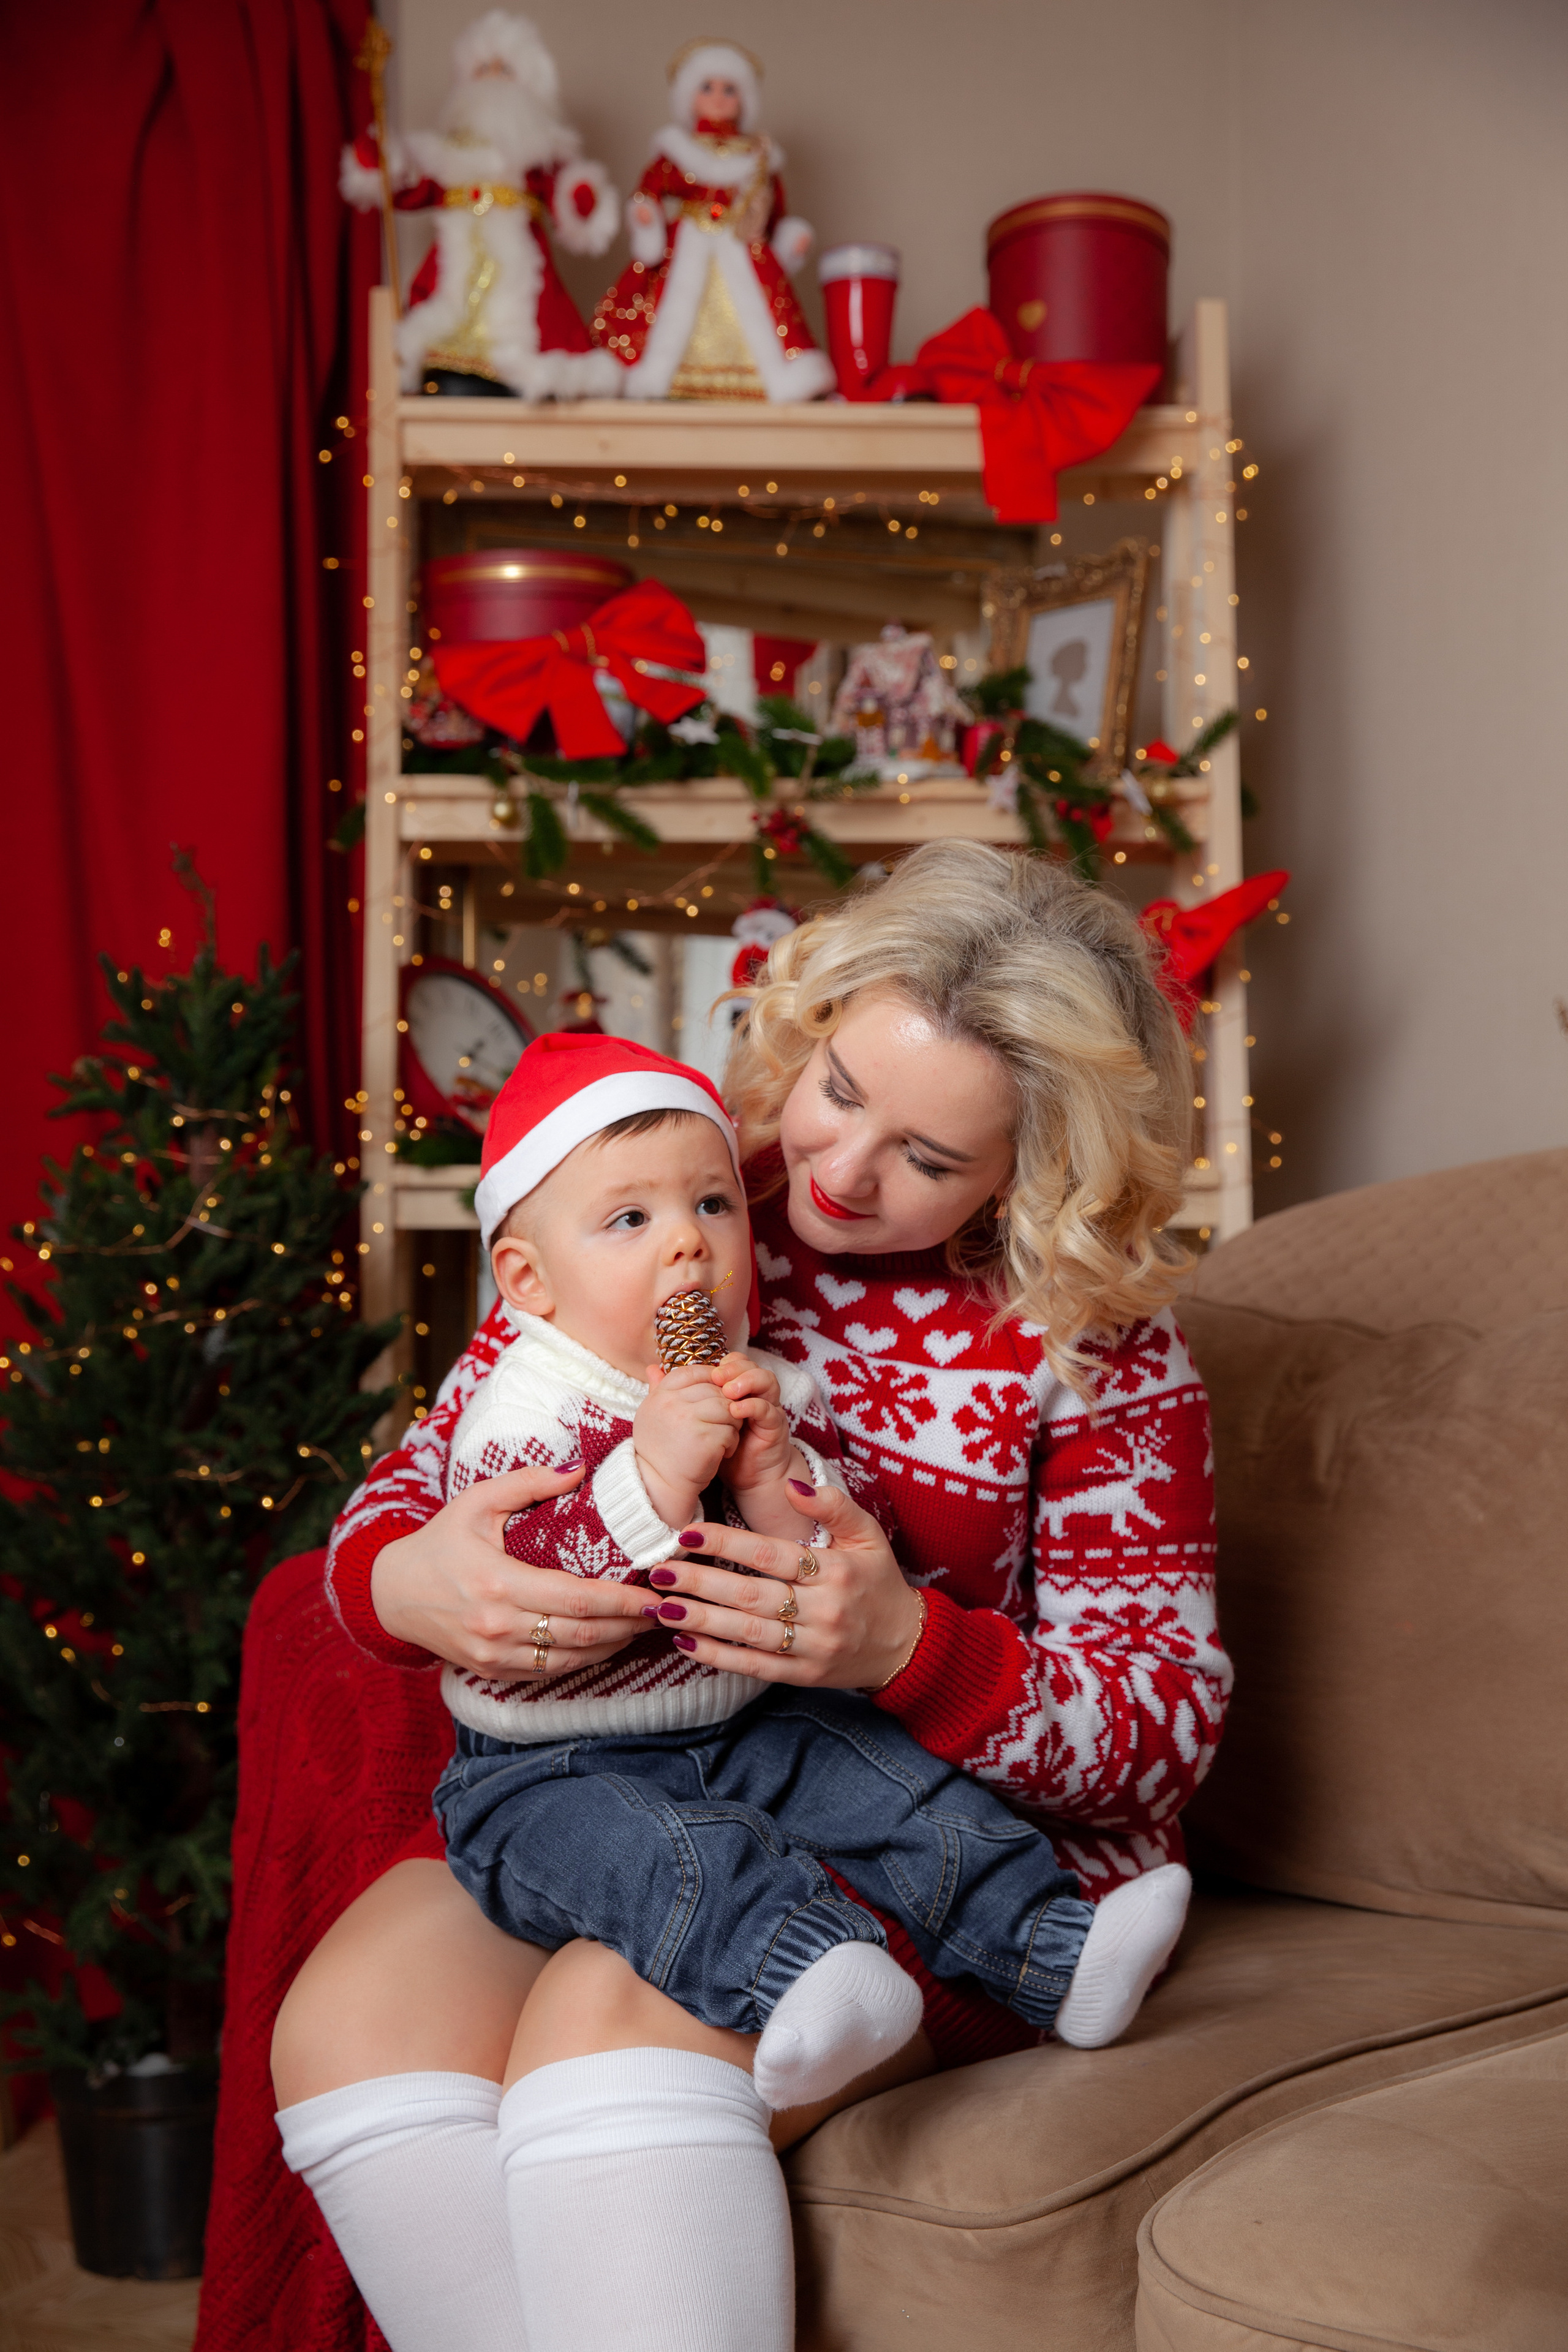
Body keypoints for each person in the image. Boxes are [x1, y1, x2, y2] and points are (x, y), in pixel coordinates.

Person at [272, 843, 1228, 2352]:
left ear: (1035, 1164)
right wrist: (406, 1575)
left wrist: (907, 1647)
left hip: (941, 1833)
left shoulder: (1096, 1345)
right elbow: (446, 1450)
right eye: (839, 1090)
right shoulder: (683, 1196)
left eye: (928, 1157)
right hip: (647, 1764)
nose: (841, 1173)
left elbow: (1160, 1732)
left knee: (606, 2019)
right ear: (811, 1019)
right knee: (347, 2018)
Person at [423, 1032, 1190, 2119]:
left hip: (745, 1718)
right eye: (634, 1223)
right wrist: (646, 1479)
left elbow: (833, 1546)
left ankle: (1058, 1949)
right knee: (675, 1861)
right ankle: (809, 1980)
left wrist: (780, 1474)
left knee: (895, 1791)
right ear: (528, 1281)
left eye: (713, 1208)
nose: (690, 1246)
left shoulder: (770, 1372)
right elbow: (517, 1559)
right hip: (551, 1766)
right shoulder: (525, 1395)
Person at [339, 9, 622, 400]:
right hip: (454, 288)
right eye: (482, 68)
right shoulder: (443, 154)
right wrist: (380, 160)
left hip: (521, 287)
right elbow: (403, 187)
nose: (491, 78)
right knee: (444, 361)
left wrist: (582, 200)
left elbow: (572, 207)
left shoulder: (539, 158)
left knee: (531, 348)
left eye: (503, 69)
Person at [591, 39, 835, 401]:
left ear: (744, 100)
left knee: (762, 313)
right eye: (707, 87)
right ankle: (667, 375)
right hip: (687, 241)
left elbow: (775, 213)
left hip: (740, 241)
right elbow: (650, 191)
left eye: (730, 89)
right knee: (668, 306)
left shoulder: (759, 156)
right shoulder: (676, 149)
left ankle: (764, 378)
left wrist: (790, 239)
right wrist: (646, 215)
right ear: (689, 96)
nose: (719, 97)